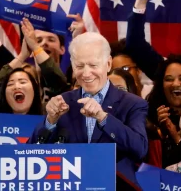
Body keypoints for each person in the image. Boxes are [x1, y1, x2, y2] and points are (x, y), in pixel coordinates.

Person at [28, 32, 148, 190]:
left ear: (108, 64)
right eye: (79, 66)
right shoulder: (61, 102)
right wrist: (50, 121)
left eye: (93, 65)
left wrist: (102, 117)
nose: (86, 73)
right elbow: (31, 154)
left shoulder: (132, 103)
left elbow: (139, 149)